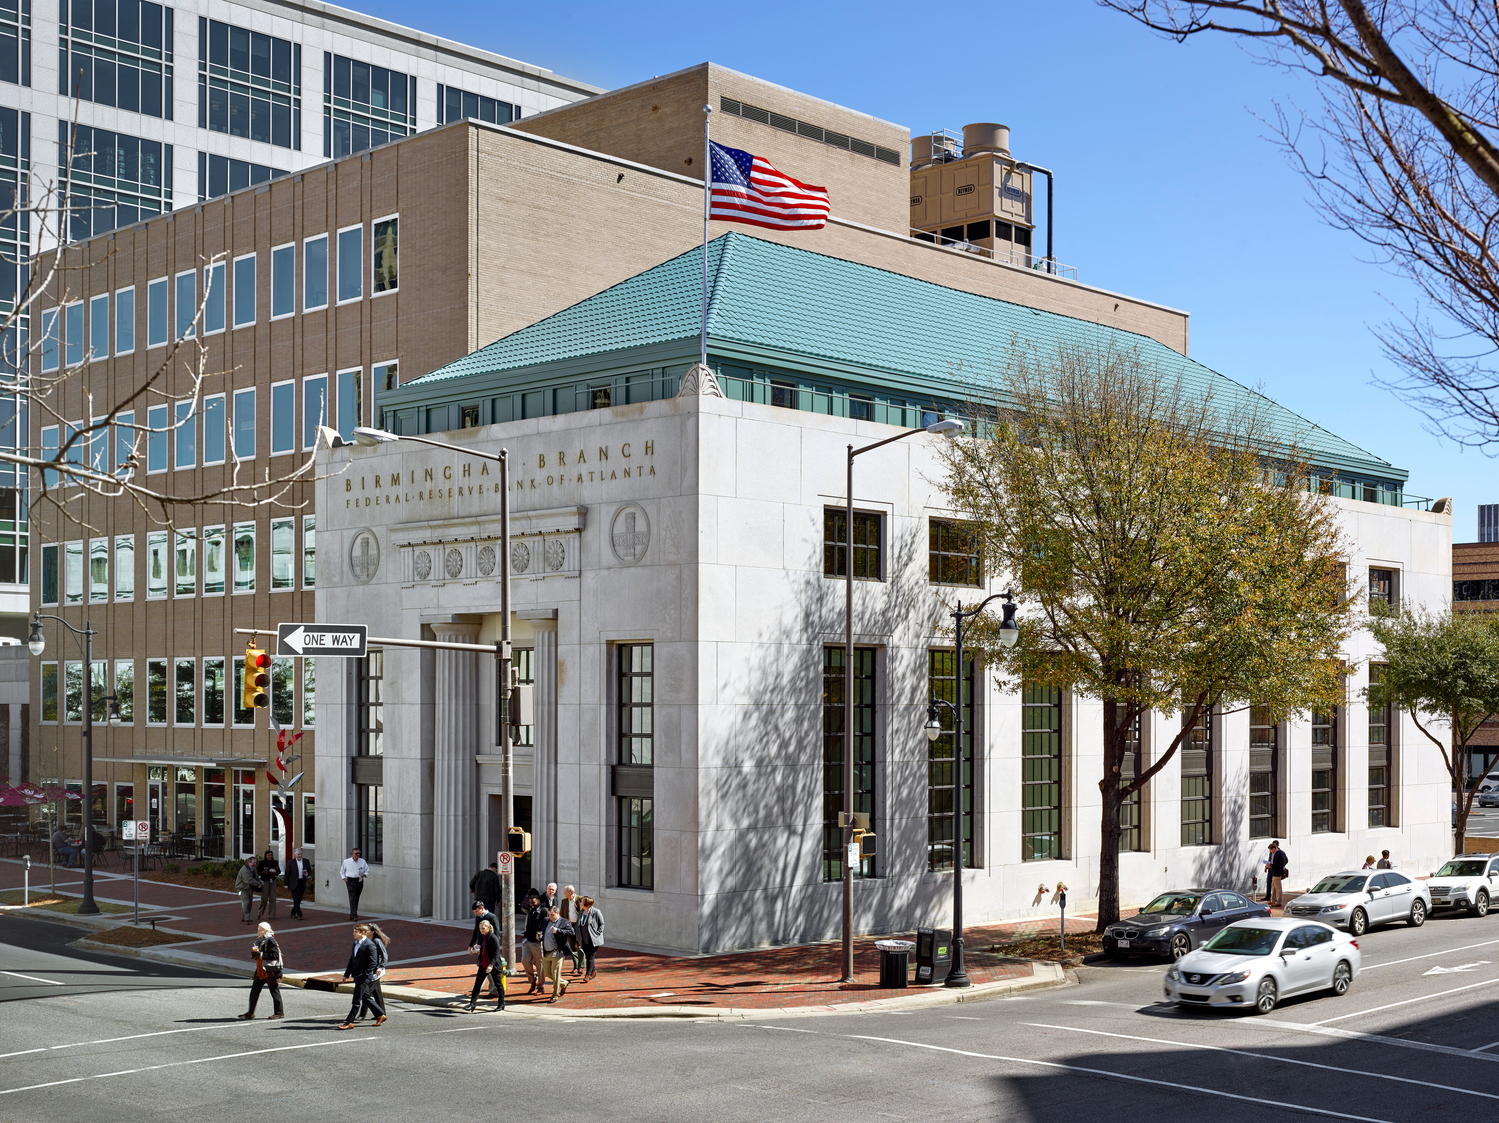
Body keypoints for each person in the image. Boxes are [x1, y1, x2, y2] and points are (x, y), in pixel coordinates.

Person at [337, 924, 386, 1030]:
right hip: (357, 975)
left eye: (355, 931)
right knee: (366, 997)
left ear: (362, 933)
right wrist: (346, 974)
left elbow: (373, 963)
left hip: (363, 976)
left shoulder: (370, 945)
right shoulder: (355, 944)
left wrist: (365, 975)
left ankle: (349, 1022)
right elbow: (352, 960)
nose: (353, 933)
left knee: (356, 1000)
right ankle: (381, 1014)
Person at [237, 922, 284, 1020]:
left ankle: (279, 1012)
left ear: (266, 931)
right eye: (258, 929)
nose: (258, 931)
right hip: (260, 970)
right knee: (254, 991)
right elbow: (260, 954)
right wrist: (255, 955)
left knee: (274, 991)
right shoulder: (260, 940)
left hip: (269, 971)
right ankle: (250, 1013)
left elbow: (274, 955)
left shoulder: (270, 940)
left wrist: (261, 954)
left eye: (260, 930)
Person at [465, 919, 506, 1013]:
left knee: (498, 984)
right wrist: (477, 948)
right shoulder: (481, 936)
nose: (481, 930)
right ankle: (472, 1004)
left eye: (483, 928)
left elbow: (496, 953)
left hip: (493, 965)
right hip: (483, 963)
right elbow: (481, 947)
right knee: (477, 985)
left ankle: (501, 1003)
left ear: (488, 928)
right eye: (480, 928)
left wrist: (491, 965)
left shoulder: (493, 937)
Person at [467, 901, 502, 1001]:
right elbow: (476, 932)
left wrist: (492, 946)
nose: (475, 913)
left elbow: (497, 934)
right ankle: (478, 993)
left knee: (490, 969)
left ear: (482, 909)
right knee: (482, 970)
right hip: (481, 948)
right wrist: (471, 945)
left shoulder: (492, 917)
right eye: (474, 911)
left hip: (490, 948)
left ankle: (495, 992)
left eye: (477, 911)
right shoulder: (478, 917)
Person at [541, 906, 576, 1004]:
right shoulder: (546, 920)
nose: (550, 917)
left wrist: (558, 931)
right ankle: (564, 983)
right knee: (548, 973)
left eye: (552, 915)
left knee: (556, 973)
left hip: (557, 951)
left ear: (557, 913)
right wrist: (539, 935)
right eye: (549, 914)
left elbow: (571, 933)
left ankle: (555, 995)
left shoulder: (565, 922)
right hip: (546, 952)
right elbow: (542, 931)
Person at [359, 922, 391, 1021]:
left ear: (372, 932)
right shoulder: (367, 940)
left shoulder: (376, 941)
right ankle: (382, 1014)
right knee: (377, 993)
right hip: (369, 970)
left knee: (365, 993)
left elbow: (384, 955)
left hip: (375, 971)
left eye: (367, 930)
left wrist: (380, 967)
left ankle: (362, 1015)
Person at [521, 890, 548, 995]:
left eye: (533, 901)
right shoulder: (530, 911)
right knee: (525, 961)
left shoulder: (544, 911)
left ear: (538, 901)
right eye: (530, 902)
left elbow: (545, 924)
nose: (531, 903)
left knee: (540, 965)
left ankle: (541, 986)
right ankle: (533, 981)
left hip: (538, 943)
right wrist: (525, 936)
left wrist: (540, 936)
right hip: (528, 941)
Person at [577, 895, 604, 983]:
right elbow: (578, 926)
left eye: (582, 901)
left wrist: (597, 933)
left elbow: (602, 924)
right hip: (583, 939)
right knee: (589, 956)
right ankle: (593, 971)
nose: (580, 903)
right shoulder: (581, 912)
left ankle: (588, 975)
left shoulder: (596, 912)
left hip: (593, 939)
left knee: (590, 956)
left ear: (586, 903)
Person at [559, 886, 583, 975]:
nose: (564, 893)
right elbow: (562, 914)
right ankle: (576, 966)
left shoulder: (580, 899)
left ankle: (581, 966)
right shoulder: (564, 901)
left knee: (580, 946)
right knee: (572, 946)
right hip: (569, 926)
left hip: (579, 926)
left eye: (565, 892)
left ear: (569, 892)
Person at [341, 847, 370, 920]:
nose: (358, 855)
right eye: (356, 853)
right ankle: (354, 915)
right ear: (352, 854)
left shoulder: (362, 861)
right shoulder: (346, 861)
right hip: (350, 881)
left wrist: (364, 875)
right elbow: (342, 871)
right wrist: (345, 879)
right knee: (352, 897)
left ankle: (352, 914)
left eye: (359, 853)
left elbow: (367, 870)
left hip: (359, 881)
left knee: (356, 898)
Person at [235, 856, 263, 924]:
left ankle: (244, 917)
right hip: (241, 889)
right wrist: (258, 884)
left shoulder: (253, 869)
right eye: (253, 862)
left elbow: (256, 877)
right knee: (246, 902)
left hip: (248, 888)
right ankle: (246, 919)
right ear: (249, 862)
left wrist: (260, 881)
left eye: (255, 862)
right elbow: (248, 880)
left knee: (249, 903)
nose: (255, 864)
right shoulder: (244, 870)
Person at [255, 849, 281, 921]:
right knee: (264, 898)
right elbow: (258, 872)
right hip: (265, 881)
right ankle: (260, 913)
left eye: (271, 855)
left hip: (272, 881)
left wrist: (275, 872)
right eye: (269, 855)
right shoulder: (262, 863)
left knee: (273, 898)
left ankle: (272, 915)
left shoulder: (275, 862)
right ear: (265, 855)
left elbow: (279, 871)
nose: (270, 857)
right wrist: (263, 872)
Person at [285, 849, 310, 920]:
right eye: (298, 854)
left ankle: (293, 912)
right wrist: (286, 884)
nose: (299, 856)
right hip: (293, 882)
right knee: (295, 898)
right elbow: (287, 873)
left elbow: (309, 870)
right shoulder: (290, 862)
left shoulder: (306, 861)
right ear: (295, 855)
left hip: (302, 881)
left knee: (299, 898)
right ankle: (299, 914)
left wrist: (307, 873)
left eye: (300, 854)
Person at [1265, 840, 1289, 908]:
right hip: (1275, 872)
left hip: (1277, 873)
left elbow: (1278, 865)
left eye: (1271, 850)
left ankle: (1278, 901)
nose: (1270, 852)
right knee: (1274, 887)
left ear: (1273, 848)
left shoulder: (1278, 854)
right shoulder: (1278, 853)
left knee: (1278, 888)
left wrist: (1271, 866)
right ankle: (1273, 900)